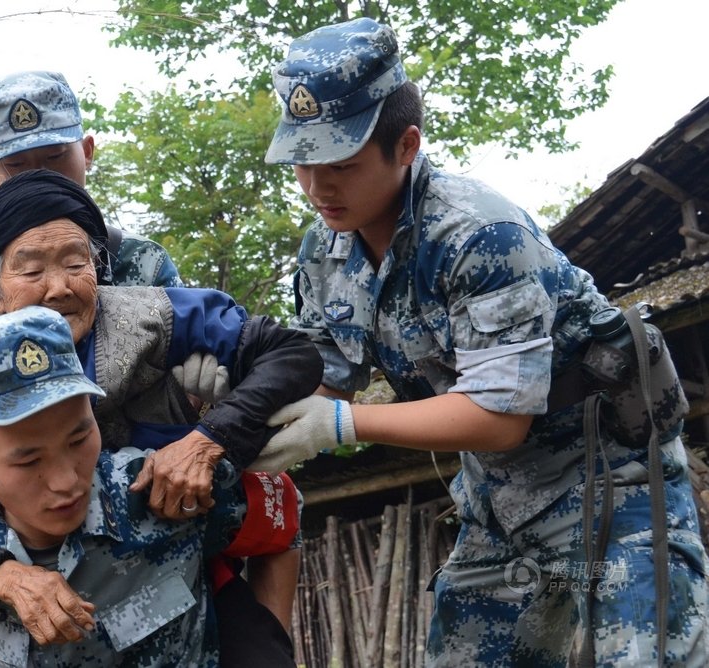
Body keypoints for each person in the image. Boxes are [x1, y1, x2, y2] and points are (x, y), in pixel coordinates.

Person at [252, 17, 708, 667]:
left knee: (636, 655)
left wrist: (339, 423)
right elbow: (322, 375)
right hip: (501, 513)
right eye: (302, 162)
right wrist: (232, 422)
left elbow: (499, 418)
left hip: (608, 496)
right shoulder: (325, 252)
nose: (317, 187)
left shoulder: (476, 233)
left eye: (341, 165)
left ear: (404, 145)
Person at [0, 169, 320, 664]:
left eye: (76, 263)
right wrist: (3, 577)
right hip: (14, 573)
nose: (58, 288)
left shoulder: (152, 319)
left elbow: (291, 355)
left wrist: (210, 436)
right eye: (30, 271)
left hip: (163, 559)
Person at [0, 305, 299, 666]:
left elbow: (283, 511)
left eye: (79, 439)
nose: (67, 481)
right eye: (29, 460)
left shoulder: (154, 489)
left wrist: (268, 647)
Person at [0, 70, 182, 372]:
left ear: (87, 152)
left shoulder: (145, 264)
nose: (40, 179)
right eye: (16, 165)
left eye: (56, 157)